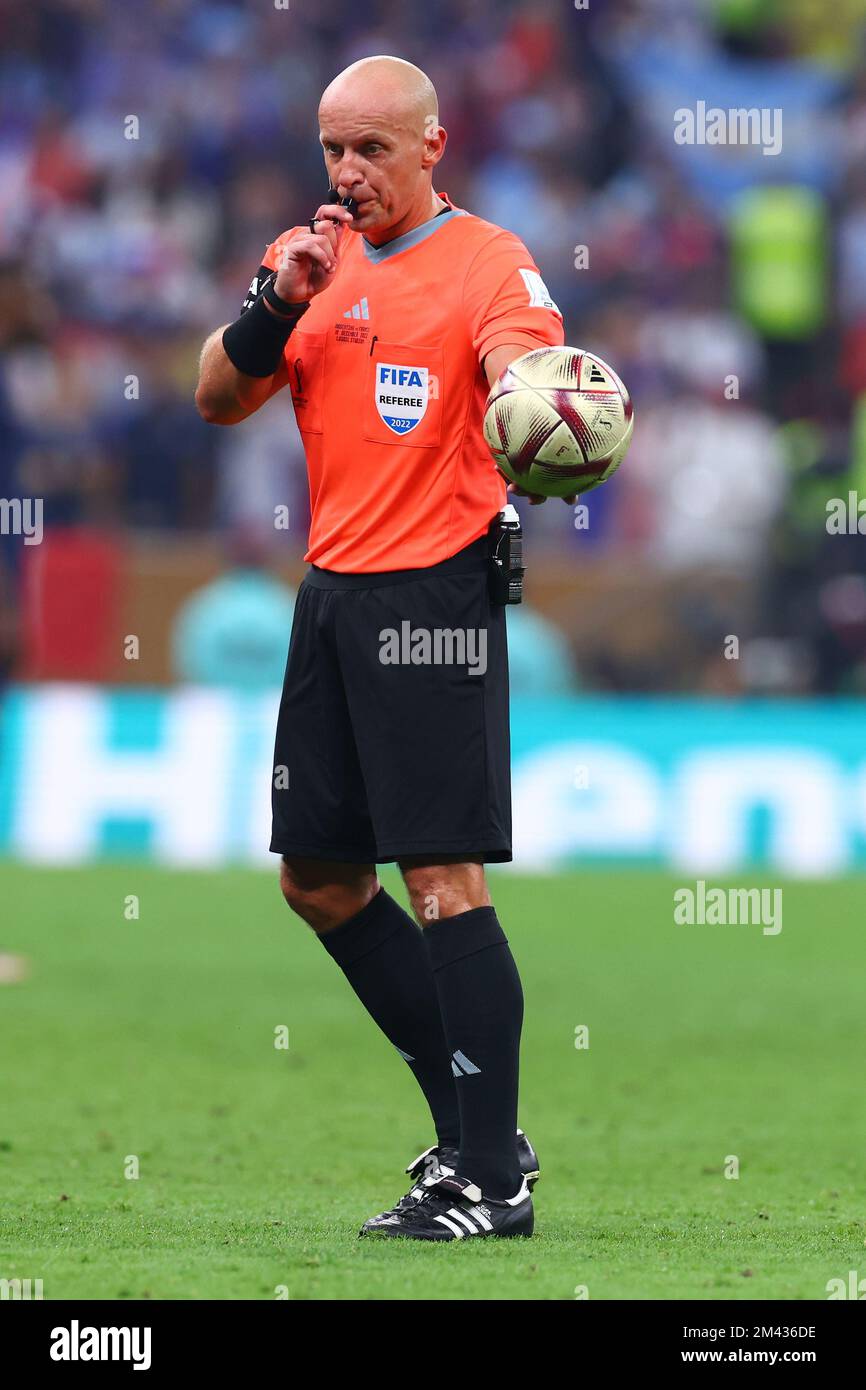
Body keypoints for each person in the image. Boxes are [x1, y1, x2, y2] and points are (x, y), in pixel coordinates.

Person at [195, 55, 572, 1241]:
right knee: (317, 880)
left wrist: (539, 402)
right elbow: (213, 394)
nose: (347, 174)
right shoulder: (309, 256)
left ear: (429, 147)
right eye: (330, 150)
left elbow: (526, 369)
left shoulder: (487, 261)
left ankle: (491, 1185)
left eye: (369, 151)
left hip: (433, 594)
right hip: (332, 595)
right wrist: (274, 303)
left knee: (442, 881)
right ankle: (478, 1141)